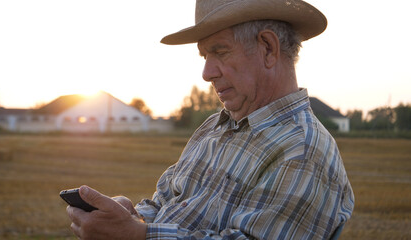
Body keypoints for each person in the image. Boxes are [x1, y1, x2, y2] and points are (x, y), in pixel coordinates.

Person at [66, 0, 355, 239]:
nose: (206, 73)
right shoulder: (213, 127)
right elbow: (167, 202)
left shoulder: (303, 151)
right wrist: (131, 215)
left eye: (219, 51)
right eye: (204, 55)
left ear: (268, 48)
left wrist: (137, 236)